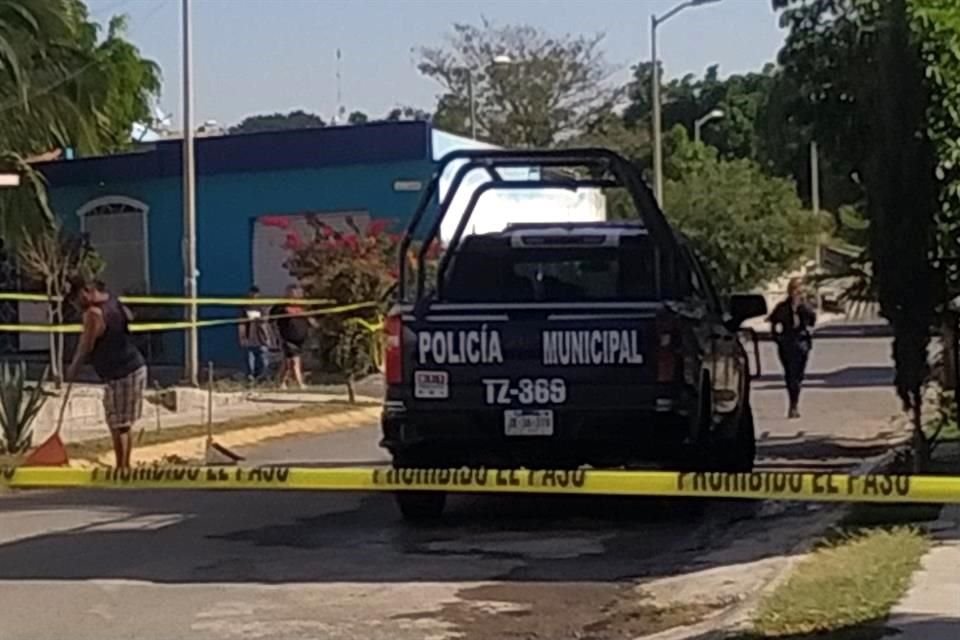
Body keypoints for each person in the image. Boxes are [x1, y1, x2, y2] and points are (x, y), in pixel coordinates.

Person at [66, 277, 147, 468]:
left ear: (85, 292)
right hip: (124, 369)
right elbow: (129, 319)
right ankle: (123, 466)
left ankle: (122, 468)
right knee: (117, 422)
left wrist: (72, 370)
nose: (74, 304)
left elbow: (85, 346)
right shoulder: (112, 301)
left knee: (120, 424)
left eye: (75, 299)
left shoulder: (93, 314)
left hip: (124, 371)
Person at [768, 277, 817, 419]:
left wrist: (803, 308)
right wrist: (777, 338)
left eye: (800, 291)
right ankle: (793, 405)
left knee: (799, 375)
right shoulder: (782, 307)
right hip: (787, 342)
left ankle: (795, 399)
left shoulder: (805, 307)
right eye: (795, 290)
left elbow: (812, 321)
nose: (797, 293)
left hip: (801, 342)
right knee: (790, 374)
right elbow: (773, 322)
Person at [270, 284, 316, 389]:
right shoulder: (281, 306)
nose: (294, 295)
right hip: (287, 337)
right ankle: (300, 384)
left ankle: (280, 382)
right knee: (295, 360)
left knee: (287, 362)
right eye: (291, 292)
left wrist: (313, 324)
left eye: (297, 292)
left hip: (300, 338)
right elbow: (271, 320)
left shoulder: (303, 305)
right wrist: (274, 335)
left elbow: (310, 317)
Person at [239, 285, 270, 383]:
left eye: (256, 293)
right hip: (249, 338)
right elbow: (241, 324)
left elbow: (264, 323)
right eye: (252, 293)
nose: (254, 295)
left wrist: (267, 337)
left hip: (260, 338)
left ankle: (261, 378)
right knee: (249, 361)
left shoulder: (262, 307)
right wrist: (242, 337)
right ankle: (250, 379)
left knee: (263, 360)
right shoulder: (245, 307)